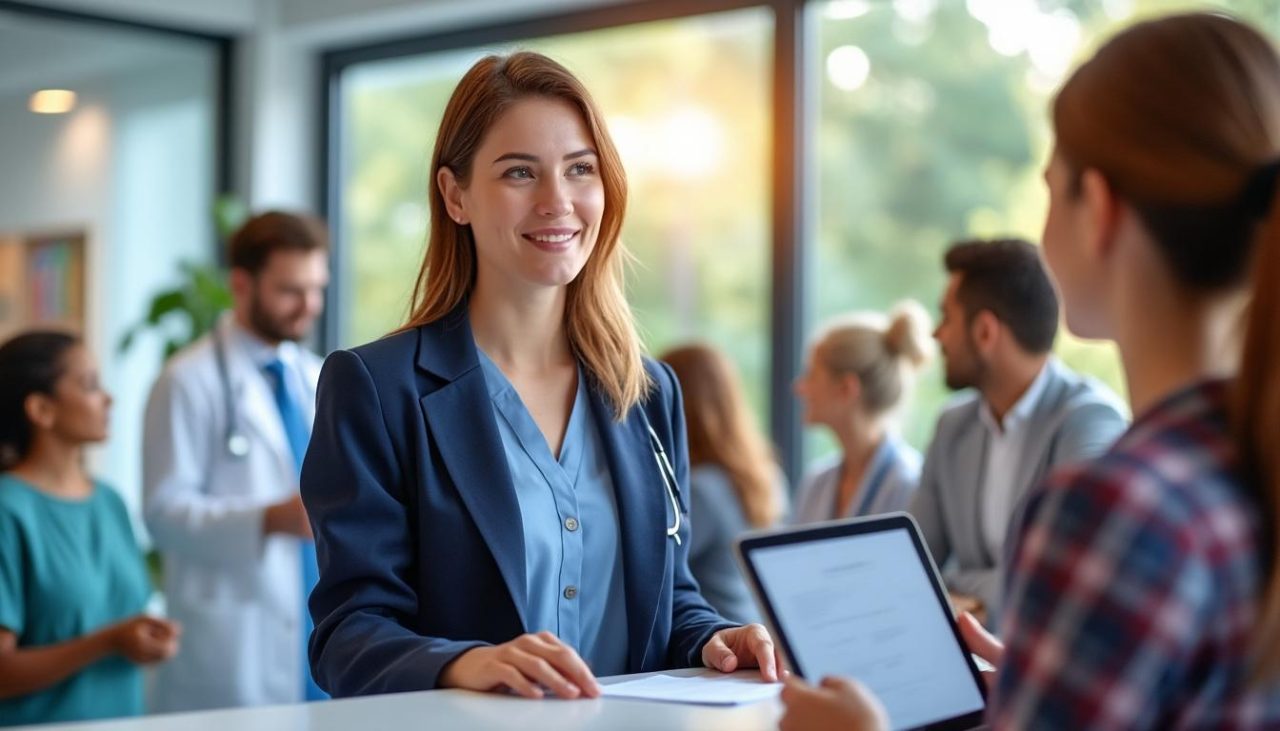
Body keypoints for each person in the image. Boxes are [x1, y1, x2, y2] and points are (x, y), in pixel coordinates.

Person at [781, 12, 1280, 729]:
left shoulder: (1116, 509)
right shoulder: (1243, 470)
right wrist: (1045, 676)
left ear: (1098, 210)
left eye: (1051, 187)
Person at [301, 51, 779, 700]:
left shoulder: (648, 394)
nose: (557, 201)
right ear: (455, 195)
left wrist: (713, 638)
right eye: (519, 172)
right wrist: (466, 663)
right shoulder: (377, 388)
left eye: (580, 169)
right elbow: (348, 633)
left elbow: (669, 596)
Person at [142, 212, 330, 711]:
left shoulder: (317, 379)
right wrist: (269, 519)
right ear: (242, 284)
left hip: (318, 618)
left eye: (317, 289)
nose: (309, 306)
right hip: (233, 642)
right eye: (291, 290)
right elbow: (163, 514)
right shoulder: (186, 381)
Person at [909, 238, 1127, 625]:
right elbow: (909, 565)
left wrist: (954, 585)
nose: (936, 335)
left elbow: (1062, 582)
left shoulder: (1090, 421)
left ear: (985, 332)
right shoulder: (952, 427)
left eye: (946, 318)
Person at [0, 331, 180, 725]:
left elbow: (124, 608)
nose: (109, 398)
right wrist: (108, 642)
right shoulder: (7, 511)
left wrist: (145, 637)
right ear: (42, 409)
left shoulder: (110, 502)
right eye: (90, 385)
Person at [659, 343, 787, 624]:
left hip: (713, 643)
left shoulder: (700, 490)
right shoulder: (766, 475)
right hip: (753, 630)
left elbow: (653, 571)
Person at [791, 302, 932, 525]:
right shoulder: (816, 484)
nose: (799, 387)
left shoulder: (910, 484)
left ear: (847, 388)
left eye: (811, 375)